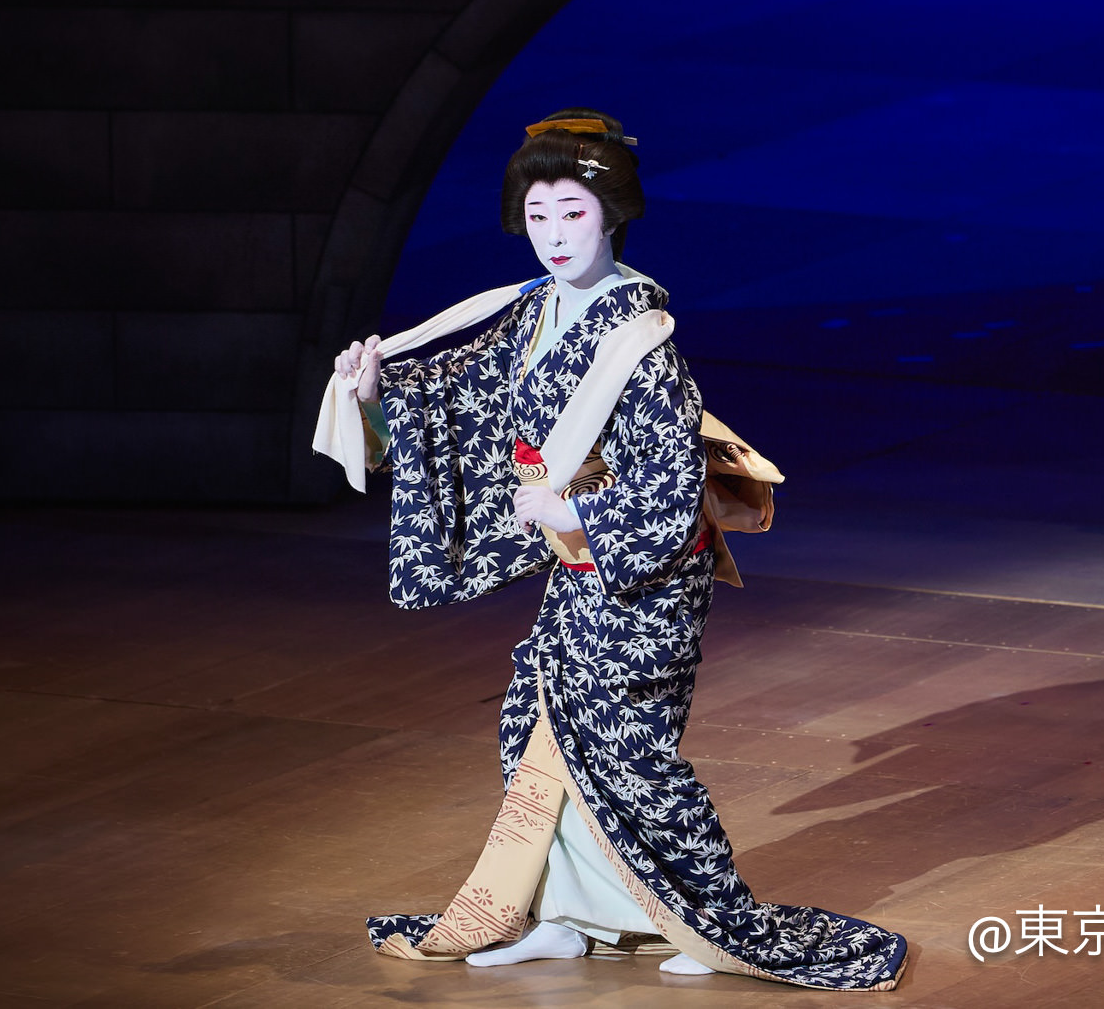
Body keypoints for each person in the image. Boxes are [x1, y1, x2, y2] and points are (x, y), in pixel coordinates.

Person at [330, 109, 905, 991]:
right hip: (579, 571)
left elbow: (670, 481)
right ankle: (565, 916)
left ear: (611, 217)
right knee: (538, 729)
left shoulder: (641, 339)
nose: (555, 235)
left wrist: (569, 506)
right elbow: (458, 397)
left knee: (631, 753)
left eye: (573, 213)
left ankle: (708, 925)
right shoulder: (534, 312)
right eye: (538, 215)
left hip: (647, 573)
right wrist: (376, 393)